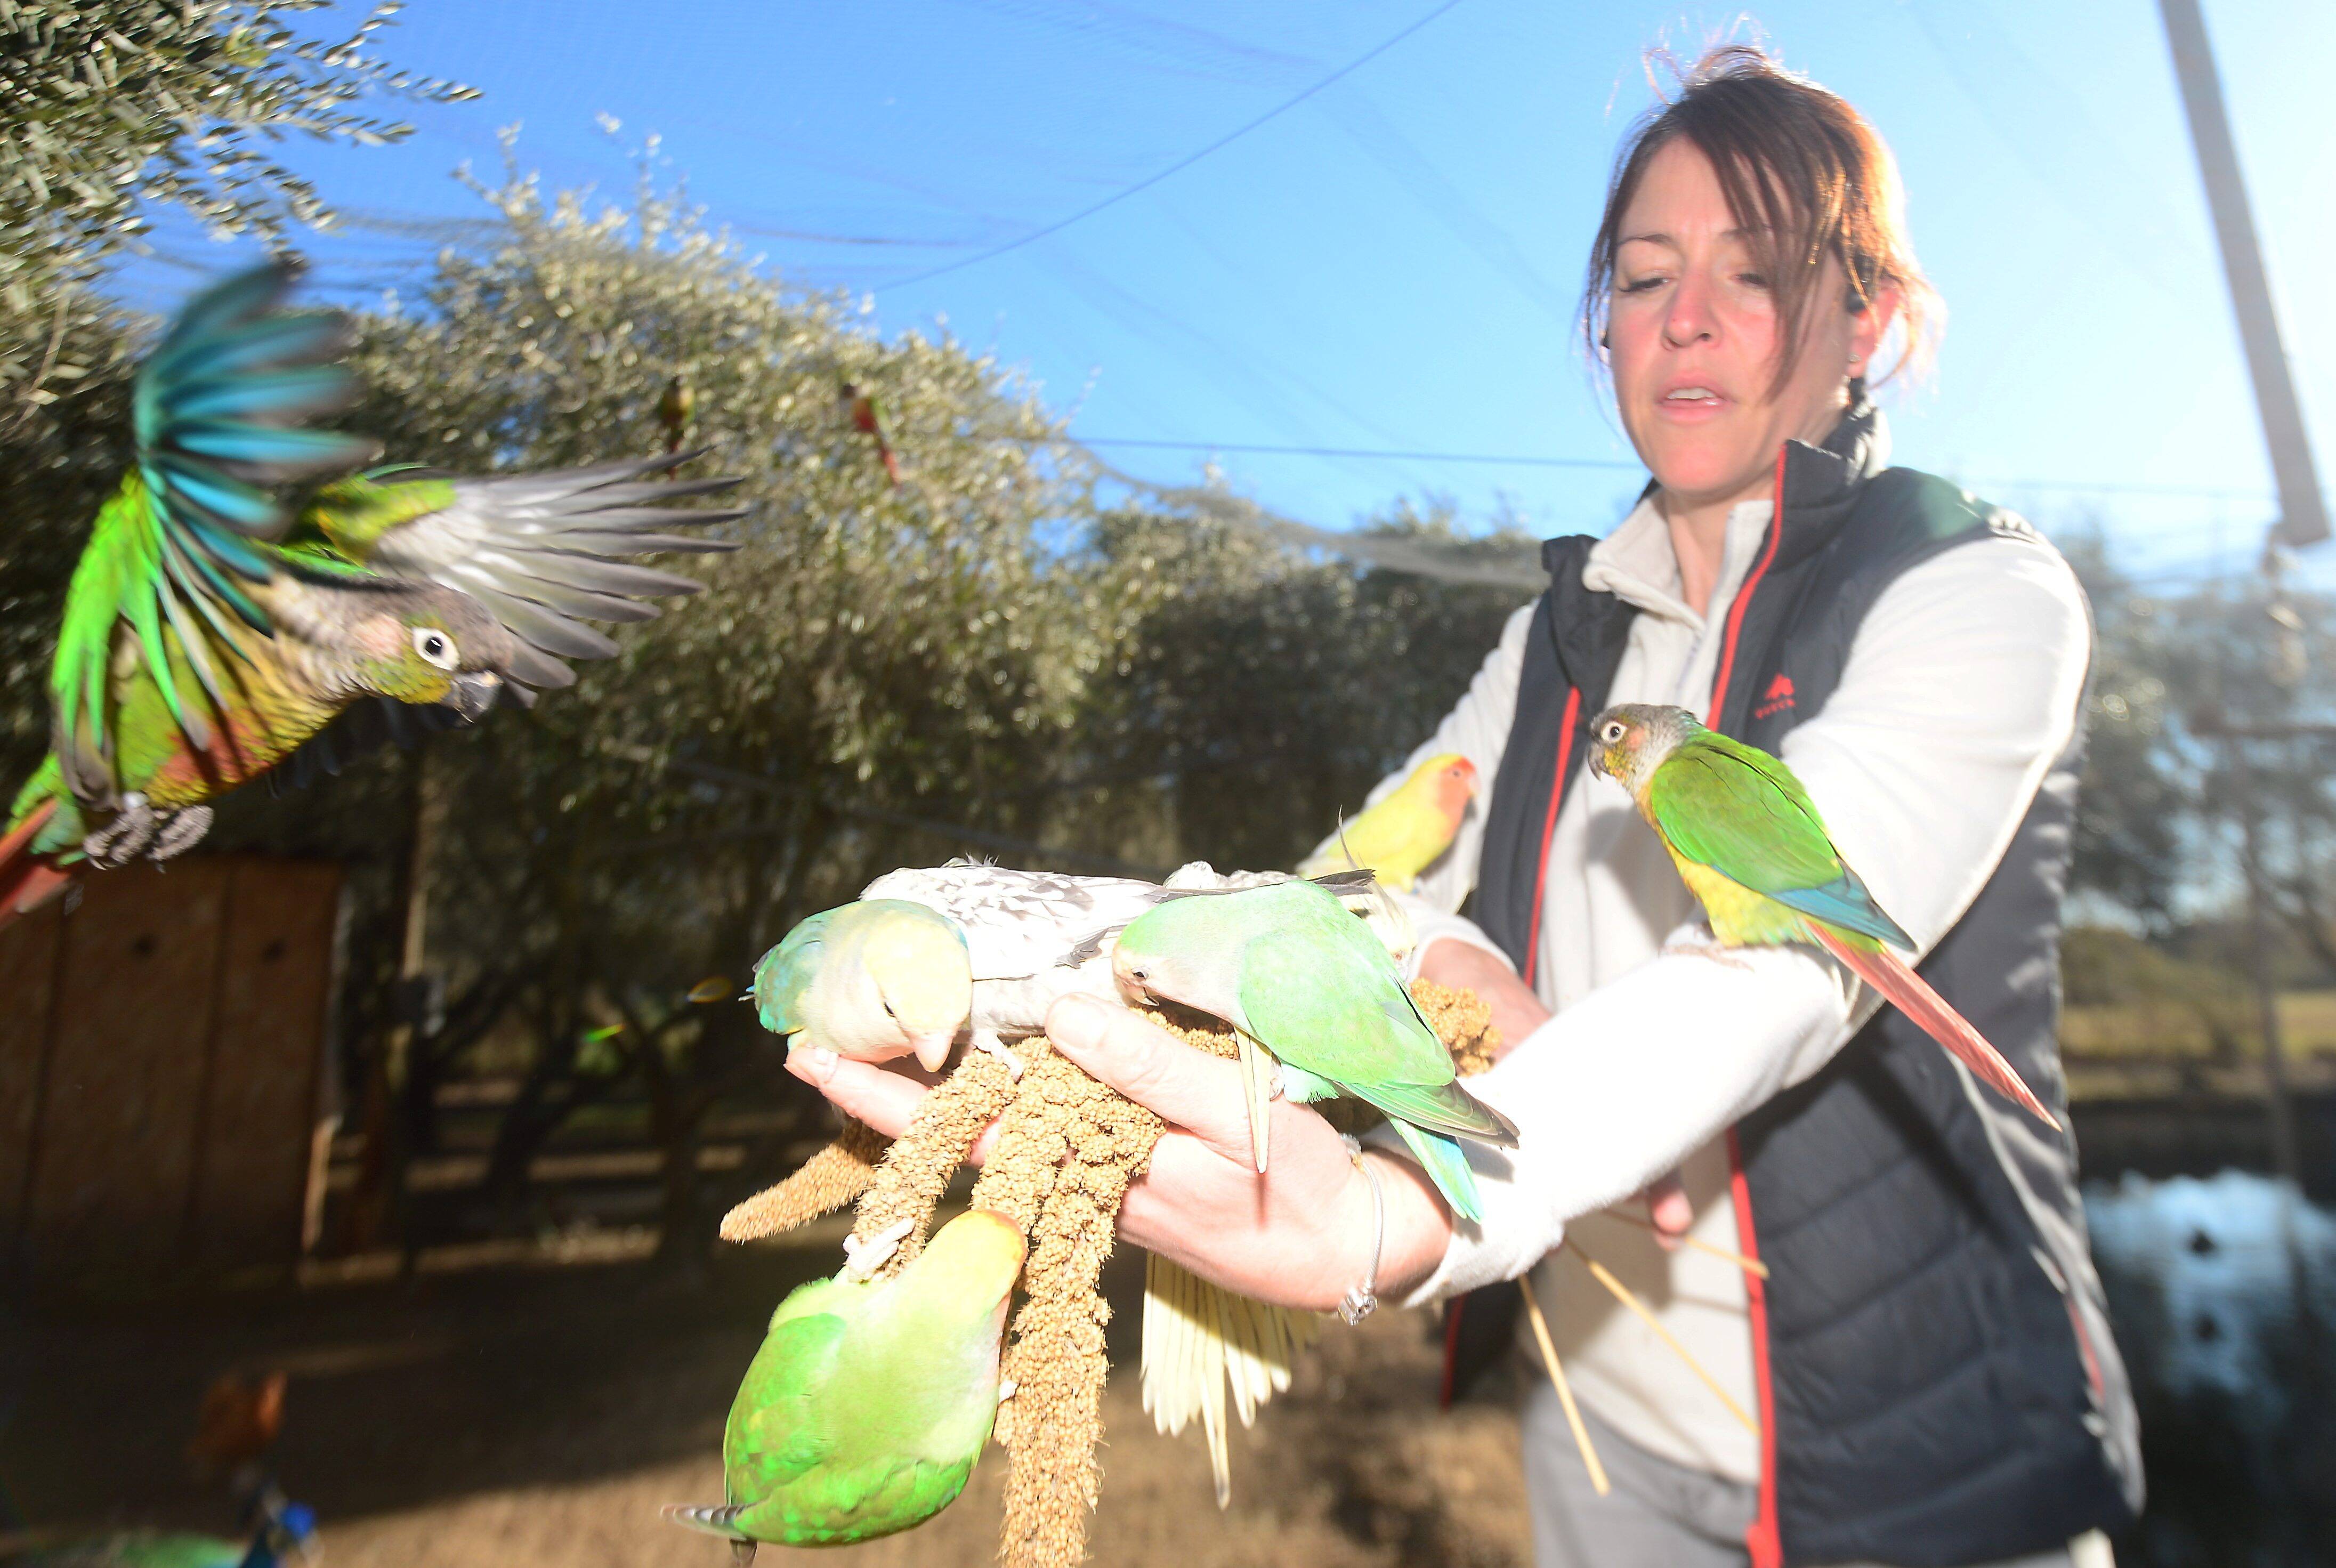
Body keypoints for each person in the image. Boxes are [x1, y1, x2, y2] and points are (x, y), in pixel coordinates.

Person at [792, 44, 2141, 1568]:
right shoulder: (1553, 644)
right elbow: (1382, 878)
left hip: (1924, 1464)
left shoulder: (1973, 590)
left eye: (1753, 272)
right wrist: (1461, 975)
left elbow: (1790, 961)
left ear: (1869, 320)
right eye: (1642, 277)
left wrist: (1422, 1203)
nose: (1684, 316)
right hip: (1603, 1445)